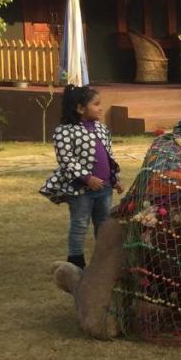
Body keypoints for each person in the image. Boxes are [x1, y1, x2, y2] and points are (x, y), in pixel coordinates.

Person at [40, 85, 123, 269]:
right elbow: (66, 160)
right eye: (96, 104)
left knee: (103, 225)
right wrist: (87, 178)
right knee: (79, 224)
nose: (101, 107)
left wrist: (115, 178)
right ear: (80, 108)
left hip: (104, 189)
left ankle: (103, 260)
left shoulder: (101, 128)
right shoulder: (64, 132)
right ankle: (75, 262)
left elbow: (108, 155)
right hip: (80, 191)